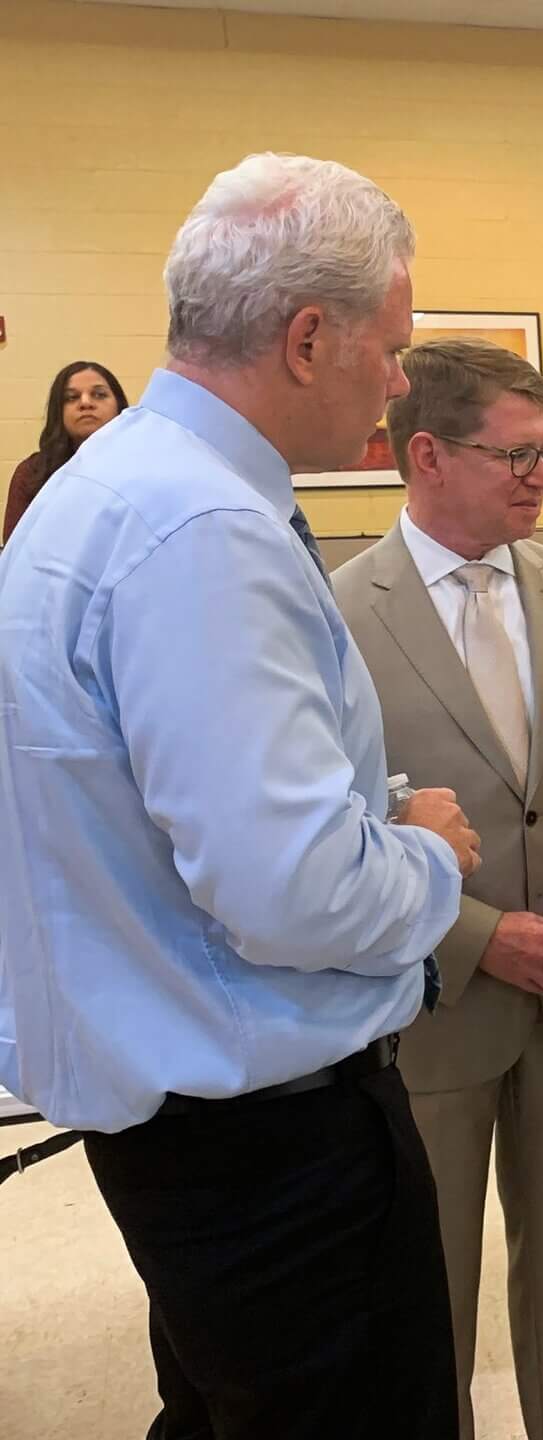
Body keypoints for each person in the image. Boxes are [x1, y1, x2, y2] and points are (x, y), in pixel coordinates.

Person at [0, 152, 480, 1437]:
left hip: (186, 1128)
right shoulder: (201, 532)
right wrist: (424, 854)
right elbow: (293, 890)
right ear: (310, 338)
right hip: (279, 1153)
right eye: (393, 348)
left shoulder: (101, 490)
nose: (399, 380)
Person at [333, 338, 543, 1440]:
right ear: (425, 455)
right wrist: (479, 937)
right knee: (428, 1282)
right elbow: (334, 832)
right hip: (429, 1013)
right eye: (517, 456)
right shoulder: (337, 615)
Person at [4, 359, 131, 541]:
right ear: (58, 411)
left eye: (99, 395)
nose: (85, 403)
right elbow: (14, 551)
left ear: (119, 406)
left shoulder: (140, 466)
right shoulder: (32, 473)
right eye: (71, 397)